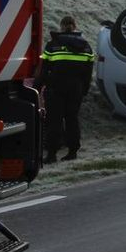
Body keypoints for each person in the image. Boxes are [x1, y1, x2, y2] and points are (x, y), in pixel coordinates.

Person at [35, 16, 94, 163]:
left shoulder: (52, 45)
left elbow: (44, 69)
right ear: (75, 27)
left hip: (55, 88)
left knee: (54, 121)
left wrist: (37, 86)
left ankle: (51, 154)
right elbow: (88, 73)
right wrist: (84, 90)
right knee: (72, 119)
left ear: (61, 26)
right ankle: (72, 151)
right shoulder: (86, 46)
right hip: (76, 90)